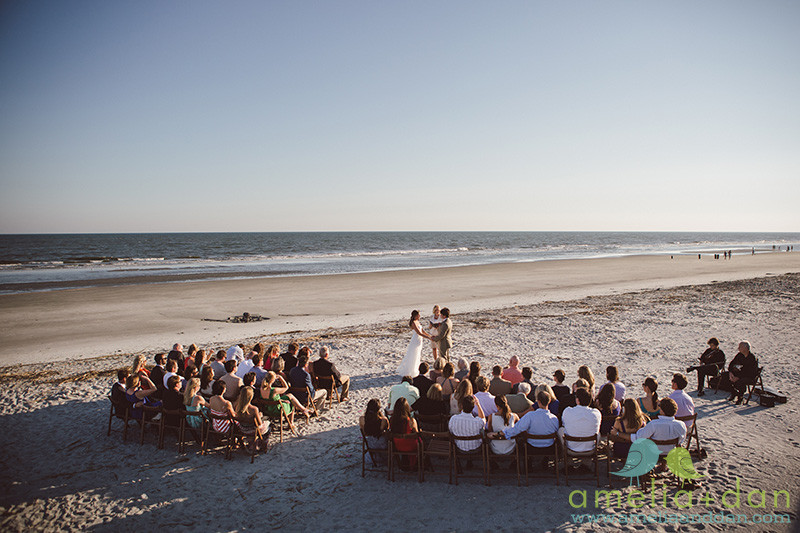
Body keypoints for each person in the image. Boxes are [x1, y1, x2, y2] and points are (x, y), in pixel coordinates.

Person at [493, 390, 560, 455]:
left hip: (532, 447)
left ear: (538, 401)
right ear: (549, 401)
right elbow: (556, 431)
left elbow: (517, 429)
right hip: (549, 448)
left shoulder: (530, 415)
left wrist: (503, 433)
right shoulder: (554, 418)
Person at [559, 388, 601, 453]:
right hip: (589, 448)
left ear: (577, 400)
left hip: (572, 447)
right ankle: (588, 459)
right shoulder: (596, 413)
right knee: (598, 433)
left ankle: (564, 454)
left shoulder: (568, 411)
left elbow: (564, 424)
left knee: (561, 430)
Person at [397, 310, 432, 378]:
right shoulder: (413, 323)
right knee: (414, 354)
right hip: (416, 339)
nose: (420, 316)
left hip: (419, 340)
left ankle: (416, 368)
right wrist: (428, 338)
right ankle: (412, 370)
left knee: (418, 354)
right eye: (418, 315)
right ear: (415, 315)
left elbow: (422, 331)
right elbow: (419, 333)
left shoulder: (418, 321)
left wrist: (429, 336)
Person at [389, 397, 420, 471]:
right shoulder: (411, 421)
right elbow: (416, 433)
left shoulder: (392, 420)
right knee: (420, 440)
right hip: (410, 446)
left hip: (397, 445)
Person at [360, 399, 389, 466]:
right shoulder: (383, 420)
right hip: (382, 446)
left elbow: (364, 432)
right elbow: (387, 432)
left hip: (370, 445)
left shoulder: (362, 419)